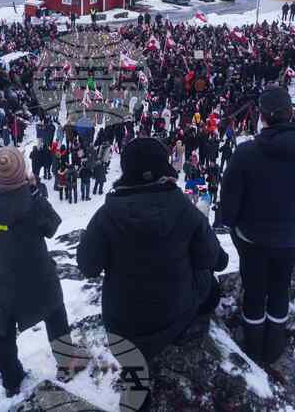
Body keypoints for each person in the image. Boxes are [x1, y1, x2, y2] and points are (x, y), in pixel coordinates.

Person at [77, 138, 228, 362]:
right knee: (210, 285)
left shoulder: (107, 214)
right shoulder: (184, 208)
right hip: (173, 317)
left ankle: (138, 383)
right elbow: (216, 260)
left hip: (122, 324)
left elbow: (88, 266)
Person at [221, 86, 295, 365]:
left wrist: (233, 226)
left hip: (251, 238)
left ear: (264, 117)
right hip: (290, 237)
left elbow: (229, 202)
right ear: (290, 114)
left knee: (255, 288)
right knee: (280, 286)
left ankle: (253, 345)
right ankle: (273, 347)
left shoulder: (245, 153)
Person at [0, 147, 74, 397]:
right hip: (36, 277)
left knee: (2, 332)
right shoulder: (30, 201)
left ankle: (11, 381)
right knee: (55, 314)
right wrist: (33, 190)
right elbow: (52, 225)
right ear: (22, 174)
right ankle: (66, 364)